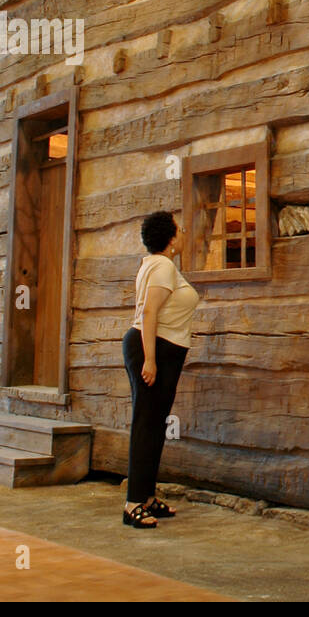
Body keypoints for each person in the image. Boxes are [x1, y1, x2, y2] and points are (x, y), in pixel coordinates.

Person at [121, 210, 199, 528]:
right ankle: (133, 504)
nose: (183, 233)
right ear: (170, 238)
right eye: (180, 229)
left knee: (154, 424)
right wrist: (150, 359)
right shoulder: (163, 264)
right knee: (146, 424)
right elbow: (150, 312)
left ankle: (146, 497)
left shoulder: (158, 265)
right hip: (151, 348)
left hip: (160, 349)